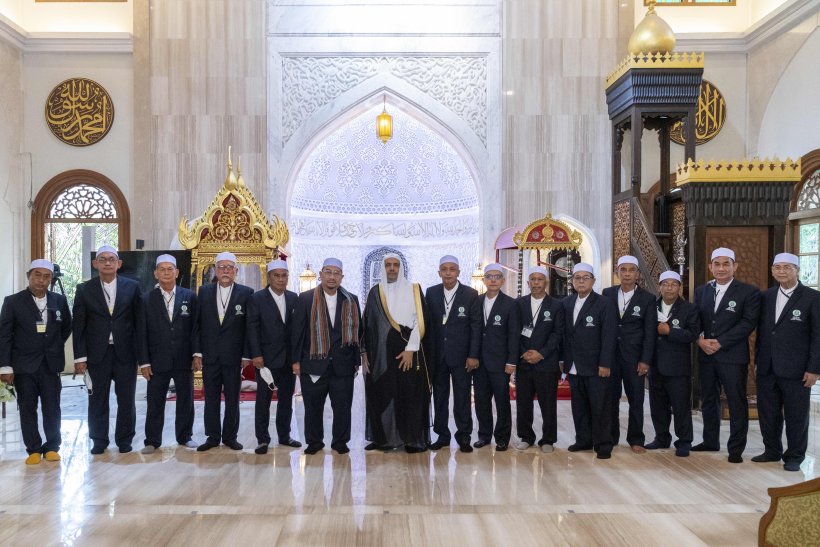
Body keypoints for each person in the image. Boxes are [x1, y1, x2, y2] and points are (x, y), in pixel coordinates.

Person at [0, 259, 72, 464]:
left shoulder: (59, 300)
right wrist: (5, 366)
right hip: (24, 365)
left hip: (50, 364)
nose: (41, 280)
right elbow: (4, 335)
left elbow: (66, 326)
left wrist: (54, 345)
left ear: (51, 279)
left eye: (46, 276)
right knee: (27, 406)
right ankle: (32, 448)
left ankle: (52, 446)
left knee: (52, 406)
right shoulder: (13, 301)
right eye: (37, 275)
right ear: (28, 276)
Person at [753, 253, 820, 472]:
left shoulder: (812, 297)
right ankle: (771, 450)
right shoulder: (766, 296)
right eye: (778, 267)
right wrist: (757, 361)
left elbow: (818, 336)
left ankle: (794, 456)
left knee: (796, 415)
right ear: (772, 270)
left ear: (797, 270)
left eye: (787, 267)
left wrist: (814, 369)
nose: (782, 271)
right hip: (767, 366)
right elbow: (763, 332)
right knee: (768, 412)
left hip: (797, 369)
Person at [72, 245, 142, 455]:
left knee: (126, 399)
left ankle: (124, 439)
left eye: (112, 259)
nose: (108, 263)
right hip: (96, 355)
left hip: (125, 354)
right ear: (96, 264)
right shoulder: (84, 289)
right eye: (103, 259)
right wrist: (80, 357)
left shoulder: (133, 287)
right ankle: (99, 440)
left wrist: (142, 356)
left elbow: (140, 323)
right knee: (97, 399)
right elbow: (79, 326)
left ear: (119, 264)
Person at [693, 247, 760, 463]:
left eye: (726, 264)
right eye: (717, 264)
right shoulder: (702, 290)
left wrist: (721, 342)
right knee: (709, 399)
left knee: (736, 401)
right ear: (711, 266)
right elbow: (695, 320)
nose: (721, 268)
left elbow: (747, 323)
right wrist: (700, 340)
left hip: (732, 356)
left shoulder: (748, 292)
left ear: (735, 266)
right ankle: (710, 441)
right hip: (706, 355)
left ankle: (736, 449)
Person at [291, 258, 362, 455]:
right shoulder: (305, 299)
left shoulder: (351, 299)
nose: (332, 276)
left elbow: (358, 332)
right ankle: (314, 441)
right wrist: (296, 361)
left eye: (336, 273)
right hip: (313, 363)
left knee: (342, 407)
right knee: (313, 407)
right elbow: (297, 332)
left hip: (343, 365)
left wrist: (356, 362)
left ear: (342, 277)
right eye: (328, 272)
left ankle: (340, 441)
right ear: (320, 274)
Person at [363, 254, 431, 453]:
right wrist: (365, 353)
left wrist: (410, 349)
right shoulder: (375, 292)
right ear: (382, 268)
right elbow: (367, 325)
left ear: (401, 268)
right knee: (381, 394)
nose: (391, 268)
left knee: (409, 395)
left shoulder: (414, 290)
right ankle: (381, 438)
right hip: (381, 354)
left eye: (395, 265)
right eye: (387, 265)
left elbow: (420, 322)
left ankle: (411, 440)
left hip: (409, 350)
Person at [137, 254, 199, 454]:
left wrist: (197, 354)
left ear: (177, 272)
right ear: (155, 273)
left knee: (185, 400)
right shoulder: (145, 299)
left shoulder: (189, 297)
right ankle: (152, 441)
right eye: (161, 269)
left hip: (184, 358)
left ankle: (185, 436)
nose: (166, 272)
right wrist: (144, 362)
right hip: (157, 360)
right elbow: (141, 333)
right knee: (155, 401)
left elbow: (196, 328)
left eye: (169, 269)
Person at [194, 251, 254, 452]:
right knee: (210, 398)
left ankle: (230, 436)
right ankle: (212, 436)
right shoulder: (204, 291)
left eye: (230, 268)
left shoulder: (246, 293)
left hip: (234, 356)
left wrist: (246, 355)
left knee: (232, 398)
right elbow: (198, 325)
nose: (226, 271)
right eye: (222, 267)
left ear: (235, 271)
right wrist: (198, 353)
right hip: (210, 356)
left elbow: (249, 328)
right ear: (215, 270)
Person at [561, 262, 617, 459]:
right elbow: (564, 335)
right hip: (574, 365)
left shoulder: (604, 303)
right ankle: (583, 439)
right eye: (577, 278)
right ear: (572, 281)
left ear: (593, 281)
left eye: (586, 277)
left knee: (600, 406)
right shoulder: (566, 303)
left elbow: (609, 336)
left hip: (596, 366)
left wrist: (605, 363)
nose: (581, 281)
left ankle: (603, 443)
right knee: (579, 406)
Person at [426, 255, 481, 453]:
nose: (448, 272)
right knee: (439, 397)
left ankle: (464, 436)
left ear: (458, 272)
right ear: (439, 272)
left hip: (462, 357)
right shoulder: (431, 293)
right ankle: (442, 435)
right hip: (438, 357)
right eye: (444, 269)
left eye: (452, 269)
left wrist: (473, 355)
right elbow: (428, 326)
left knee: (462, 397)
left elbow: (476, 326)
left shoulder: (471, 294)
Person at [602, 255, 656, 453]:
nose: (627, 274)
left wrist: (645, 360)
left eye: (631, 270)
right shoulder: (606, 294)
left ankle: (636, 439)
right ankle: (611, 437)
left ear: (638, 274)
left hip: (634, 359)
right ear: (617, 272)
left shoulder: (648, 298)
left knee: (636, 400)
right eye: (623, 270)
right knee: (610, 399)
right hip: (610, 357)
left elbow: (650, 332)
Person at [246, 259, 300, 454]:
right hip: (266, 360)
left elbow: (298, 331)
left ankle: (284, 436)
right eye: (276, 275)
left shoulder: (295, 298)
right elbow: (252, 328)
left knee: (286, 399)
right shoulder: (257, 298)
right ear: (269, 277)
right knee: (263, 400)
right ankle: (262, 439)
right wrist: (256, 355)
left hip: (288, 360)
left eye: (284, 275)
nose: (280, 279)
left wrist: (297, 358)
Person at [645, 271, 698, 457]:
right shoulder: (650, 307)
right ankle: (661, 438)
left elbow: (692, 335)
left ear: (679, 288)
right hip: (655, 365)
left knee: (681, 406)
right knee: (658, 406)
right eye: (665, 284)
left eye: (673, 284)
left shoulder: (688, 309)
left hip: (678, 368)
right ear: (659, 287)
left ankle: (684, 442)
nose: (669, 287)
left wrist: (670, 331)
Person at [513, 266, 564, 453]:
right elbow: (514, 332)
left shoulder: (557, 306)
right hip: (524, 361)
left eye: (539, 279)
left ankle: (548, 439)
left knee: (548, 403)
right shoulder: (518, 304)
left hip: (546, 362)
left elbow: (557, 334)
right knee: (523, 402)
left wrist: (541, 353)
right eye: (532, 279)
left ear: (546, 282)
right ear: (528, 283)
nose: (536, 283)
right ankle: (526, 437)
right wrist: (524, 352)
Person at [473, 263, 520, 451]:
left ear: (503, 280)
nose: (493, 280)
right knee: (481, 401)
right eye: (489, 276)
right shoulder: (475, 301)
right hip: (478, 362)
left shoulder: (511, 304)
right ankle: (484, 435)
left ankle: (502, 438)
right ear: (484, 280)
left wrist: (511, 362)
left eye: (497, 276)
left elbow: (514, 335)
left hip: (500, 363)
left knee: (502, 402)